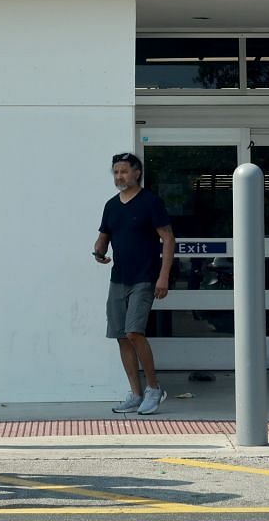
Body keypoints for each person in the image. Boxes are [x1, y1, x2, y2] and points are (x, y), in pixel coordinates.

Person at [92, 152, 176, 415]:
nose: (119, 176)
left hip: (145, 278)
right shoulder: (111, 205)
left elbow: (169, 239)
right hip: (118, 278)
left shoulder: (150, 202)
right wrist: (98, 250)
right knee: (121, 336)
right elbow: (103, 237)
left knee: (134, 332)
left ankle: (154, 388)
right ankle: (135, 393)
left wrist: (163, 276)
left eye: (124, 171)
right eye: (116, 172)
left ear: (137, 173)